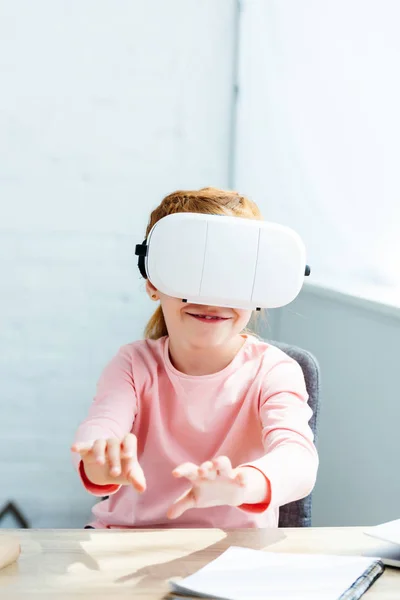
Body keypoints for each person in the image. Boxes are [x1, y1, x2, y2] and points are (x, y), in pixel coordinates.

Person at [71, 187, 318, 529]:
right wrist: (102, 459)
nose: (212, 299)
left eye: (233, 274)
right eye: (190, 269)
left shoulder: (275, 371)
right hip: (128, 542)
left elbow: (298, 459)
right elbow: (103, 428)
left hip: (232, 556)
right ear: (153, 280)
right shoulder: (132, 364)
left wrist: (243, 483)